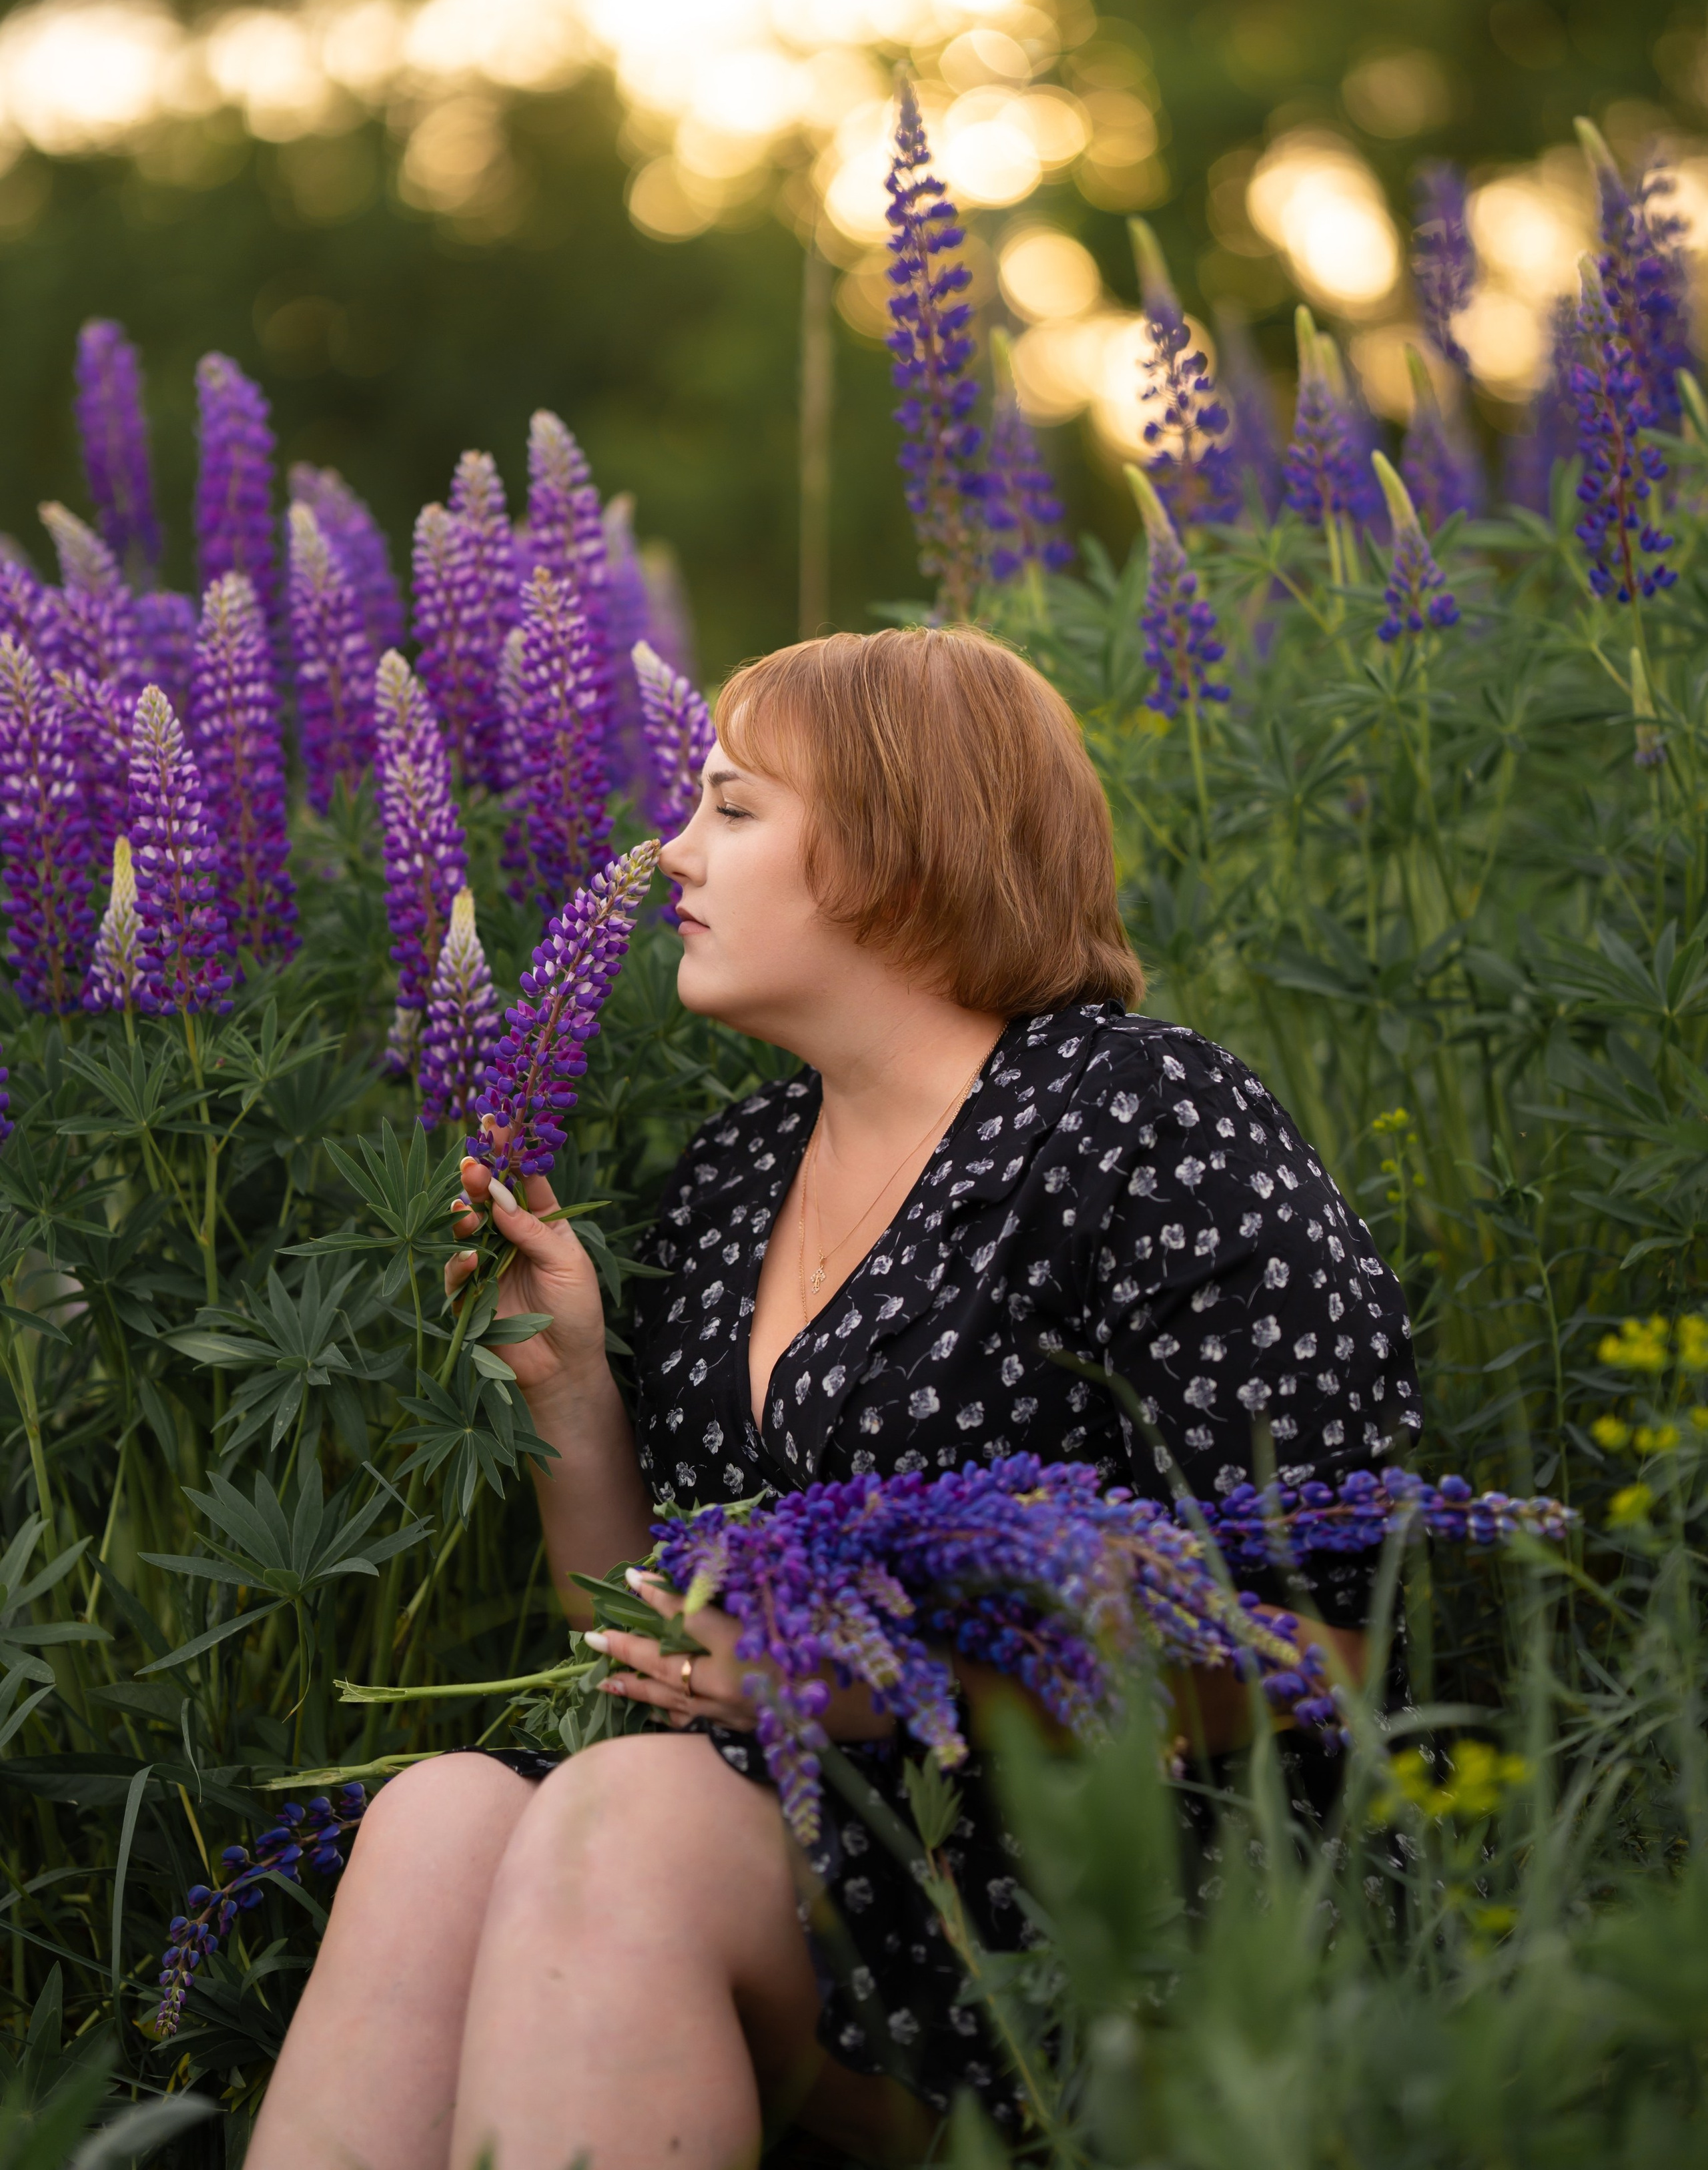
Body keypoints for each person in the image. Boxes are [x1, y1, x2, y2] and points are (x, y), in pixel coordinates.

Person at [250, 625, 1420, 2170]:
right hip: (801, 1843)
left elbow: (1316, 1653)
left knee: (630, 1827)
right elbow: (653, 1643)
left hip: (1105, 1886)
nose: (672, 848)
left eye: (733, 809)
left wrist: (871, 1694)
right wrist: (573, 1385)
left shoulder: (1142, 1120)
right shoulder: (739, 1174)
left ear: (897, 855)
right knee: (439, 1821)